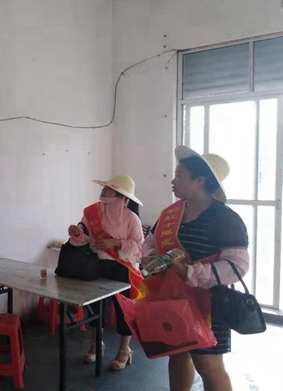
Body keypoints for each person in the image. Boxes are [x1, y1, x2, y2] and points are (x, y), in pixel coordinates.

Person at [142, 145, 249, 391]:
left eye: (179, 175)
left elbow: (237, 265)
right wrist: (150, 259)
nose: (173, 181)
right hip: (173, 299)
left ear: (199, 181)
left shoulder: (225, 218)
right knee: (177, 354)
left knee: (208, 365)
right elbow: (151, 242)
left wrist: (191, 272)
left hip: (209, 302)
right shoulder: (171, 214)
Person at [68, 175, 144, 370]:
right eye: (105, 187)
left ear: (120, 196)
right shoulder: (92, 212)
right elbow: (84, 236)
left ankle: (124, 350)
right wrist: (77, 233)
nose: (103, 190)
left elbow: (138, 246)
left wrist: (116, 243)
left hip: (123, 269)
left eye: (109, 188)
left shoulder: (131, 218)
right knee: (96, 308)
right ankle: (96, 344)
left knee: (124, 311)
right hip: (97, 266)